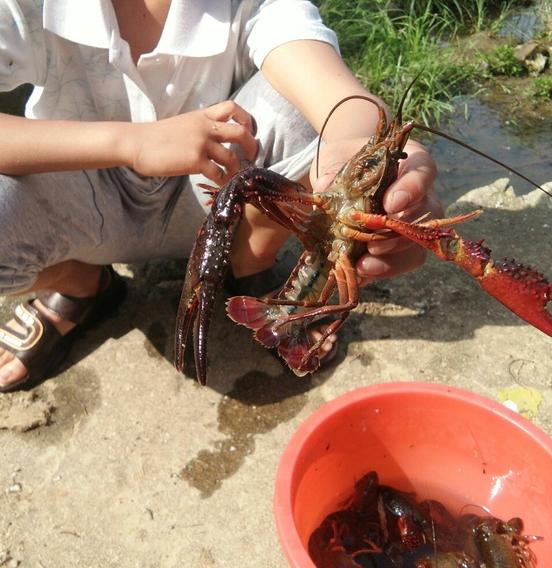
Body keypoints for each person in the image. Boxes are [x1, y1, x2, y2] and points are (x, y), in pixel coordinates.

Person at [0, 0, 442, 391]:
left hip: (216, 191)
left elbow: (330, 85)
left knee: (304, 109)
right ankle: (80, 283)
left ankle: (251, 264)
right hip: (81, 199)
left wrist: (366, 145)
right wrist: (131, 142)